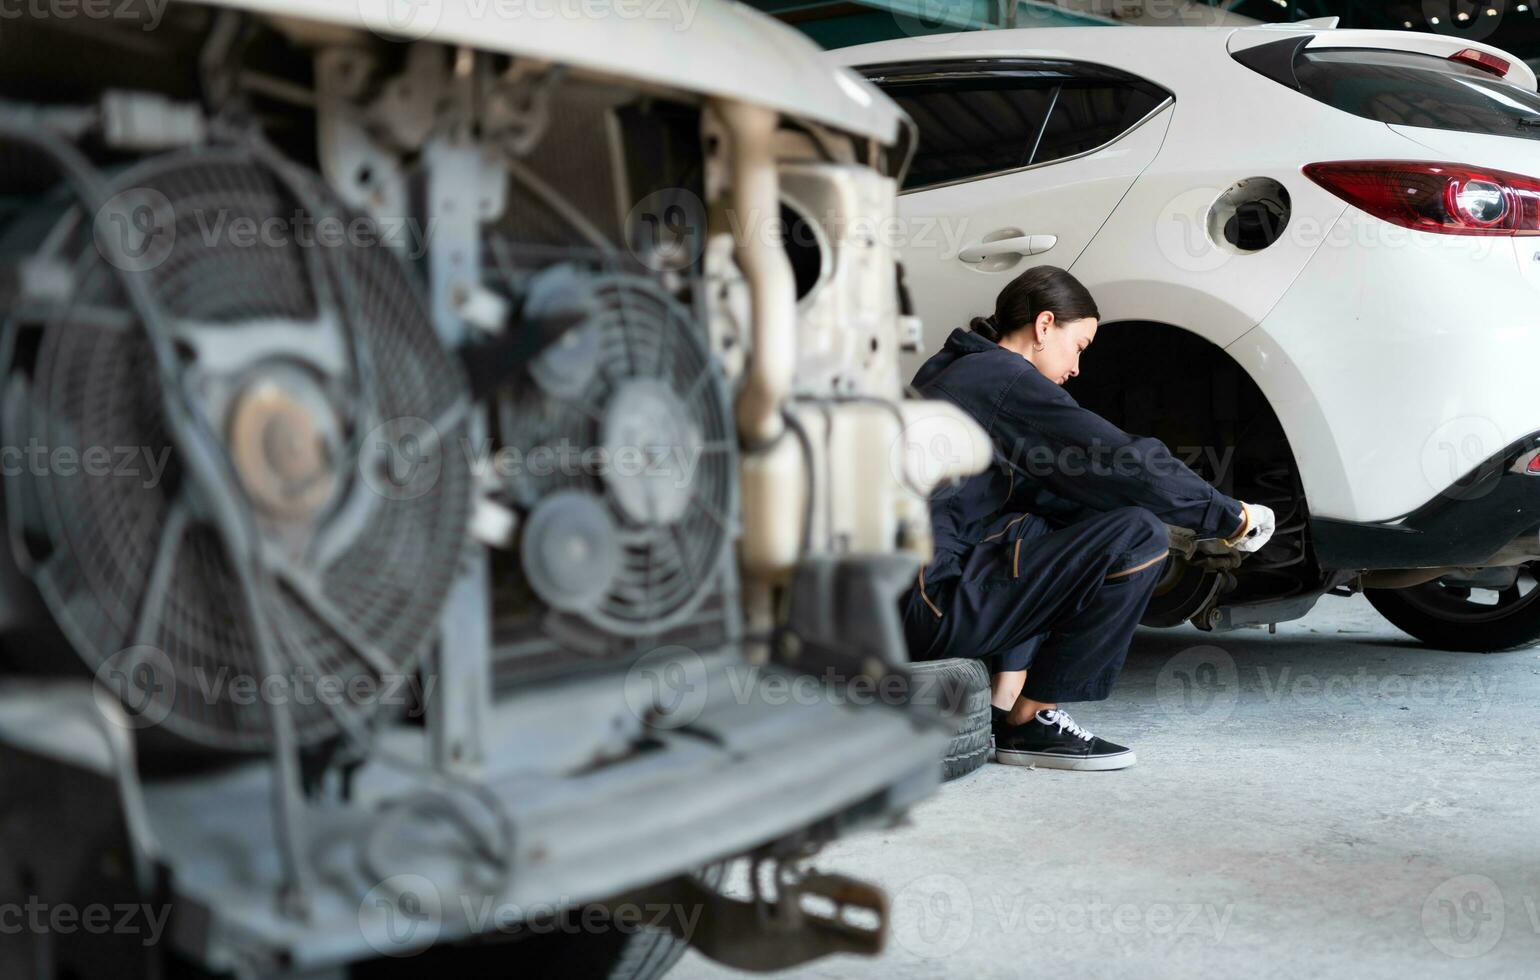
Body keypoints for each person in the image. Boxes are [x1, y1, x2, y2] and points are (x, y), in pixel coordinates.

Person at [901, 266, 1275, 771]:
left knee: (1062, 519)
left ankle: (1004, 703)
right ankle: (1034, 719)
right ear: (1043, 326)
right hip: (931, 603)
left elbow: (1064, 496)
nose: (1077, 368)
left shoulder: (960, 376)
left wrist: (1181, 528)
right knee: (1137, 535)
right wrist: (1229, 515)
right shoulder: (1000, 379)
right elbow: (1120, 457)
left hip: (909, 597)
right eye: (1078, 346)